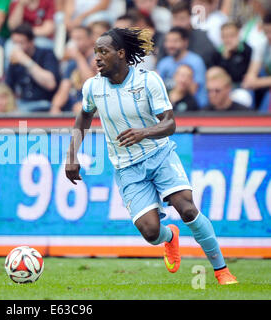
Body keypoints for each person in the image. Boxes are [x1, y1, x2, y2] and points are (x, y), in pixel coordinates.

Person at [65, 27, 238, 285]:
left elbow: (169, 124)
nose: (97, 58)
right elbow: (84, 117)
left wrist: (143, 133)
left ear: (121, 53)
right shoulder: (92, 87)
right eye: (95, 52)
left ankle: (222, 270)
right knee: (150, 231)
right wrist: (71, 156)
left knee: (188, 209)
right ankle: (170, 237)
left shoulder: (148, 80)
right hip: (126, 167)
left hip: (159, 155)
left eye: (104, 51)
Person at [5, 23, 60, 112]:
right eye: (15, 43)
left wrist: (26, 61)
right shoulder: (15, 60)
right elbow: (9, 87)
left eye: (21, 43)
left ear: (31, 42)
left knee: (20, 116)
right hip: (22, 104)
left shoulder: (46, 54)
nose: (17, 47)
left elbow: (51, 84)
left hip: (45, 104)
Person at [157, 27, 208, 108]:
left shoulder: (196, 61)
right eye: (168, 41)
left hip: (194, 109)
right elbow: (158, 90)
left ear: (185, 42)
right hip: (170, 107)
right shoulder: (163, 63)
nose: (170, 45)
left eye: (175, 41)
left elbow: (194, 90)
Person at [157, 1, 218, 68]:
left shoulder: (201, 38)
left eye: (182, 18)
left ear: (190, 18)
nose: (178, 23)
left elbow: (205, 62)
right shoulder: (166, 37)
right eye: (175, 18)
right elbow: (160, 63)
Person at [51, 25, 95, 114]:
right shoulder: (72, 63)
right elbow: (64, 88)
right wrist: (56, 106)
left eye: (79, 39)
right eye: (73, 39)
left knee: (79, 107)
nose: (74, 43)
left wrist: (78, 57)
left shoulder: (97, 59)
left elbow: (91, 84)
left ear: (90, 40)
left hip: (93, 105)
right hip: (75, 107)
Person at [214, 21, 252, 86]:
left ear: (238, 35)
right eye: (225, 36)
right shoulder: (217, 53)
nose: (228, 39)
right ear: (221, 38)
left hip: (243, 85)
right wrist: (225, 58)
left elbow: (239, 75)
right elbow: (218, 76)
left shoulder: (246, 50)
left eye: (232, 36)